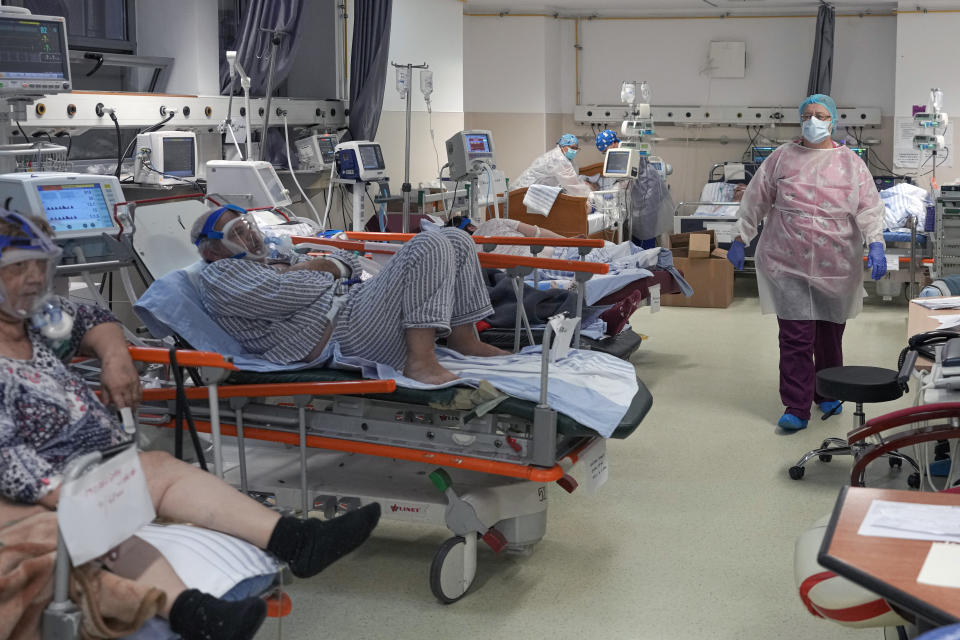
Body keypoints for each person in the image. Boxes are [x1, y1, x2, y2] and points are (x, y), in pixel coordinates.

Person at [0, 211, 381, 640]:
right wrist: (78, 492)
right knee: (101, 512)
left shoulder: (36, 323)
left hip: (91, 463)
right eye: (18, 267)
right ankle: (191, 612)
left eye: (41, 265)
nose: (35, 279)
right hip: (41, 486)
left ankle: (298, 541)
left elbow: (92, 319)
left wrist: (115, 357)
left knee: (160, 466)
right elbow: (9, 460)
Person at [192, 205, 506, 385]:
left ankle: (465, 341)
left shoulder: (278, 260)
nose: (250, 236)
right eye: (237, 232)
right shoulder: (220, 275)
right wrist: (323, 270)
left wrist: (315, 267)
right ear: (213, 250)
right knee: (429, 244)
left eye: (248, 226)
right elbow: (285, 293)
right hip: (341, 334)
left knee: (454, 237)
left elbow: (350, 264)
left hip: (355, 310)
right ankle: (420, 362)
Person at [725, 94, 887, 431]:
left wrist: (876, 244)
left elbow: (869, 208)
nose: (813, 120)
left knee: (829, 334)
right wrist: (740, 237)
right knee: (796, 338)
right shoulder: (781, 158)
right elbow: (755, 199)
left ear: (833, 121)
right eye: (808, 114)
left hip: (837, 263)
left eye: (821, 115)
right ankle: (797, 406)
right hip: (788, 263)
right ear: (800, 120)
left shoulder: (851, 164)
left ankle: (828, 390)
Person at [591, 129, 675, 247]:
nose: (607, 154)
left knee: (645, 226)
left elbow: (626, 176)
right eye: (604, 152)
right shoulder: (620, 151)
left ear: (612, 143)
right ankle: (640, 255)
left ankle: (645, 257)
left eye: (606, 150)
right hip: (641, 186)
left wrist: (616, 189)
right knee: (640, 225)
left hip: (647, 187)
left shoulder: (626, 150)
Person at [512, 133, 594, 197]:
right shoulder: (558, 159)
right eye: (572, 148)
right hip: (521, 192)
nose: (574, 151)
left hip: (532, 192)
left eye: (576, 149)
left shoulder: (567, 160)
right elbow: (572, 185)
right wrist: (590, 194)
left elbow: (572, 178)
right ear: (562, 146)